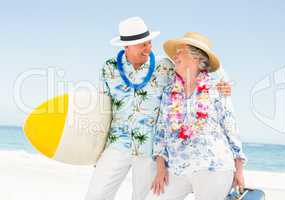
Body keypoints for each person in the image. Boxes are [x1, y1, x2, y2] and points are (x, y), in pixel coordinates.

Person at [85, 17, 232, 200]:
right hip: (117, 143)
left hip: (149, 150)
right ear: (126, 47)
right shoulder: (109, 68)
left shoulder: (165, 66)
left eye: (149, 42)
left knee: (143, 197)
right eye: (141, 45)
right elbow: (103, 110)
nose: (148, 48)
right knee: (96, 194)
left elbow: (198, 67)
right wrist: (95, 149)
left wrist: (222, 81)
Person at [146, 32, 247, 200]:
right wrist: (160, 168)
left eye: (181, 51)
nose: (175, 55)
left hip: (214, 167)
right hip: (176, 169)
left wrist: (239, 170)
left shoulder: (217, 89)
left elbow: (231, 129)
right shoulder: (169, 92)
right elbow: (161, 133)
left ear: (197, 59)